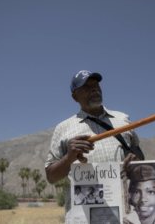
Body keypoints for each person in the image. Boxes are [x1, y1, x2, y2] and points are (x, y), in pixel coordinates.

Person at [45, 70, 142, 224]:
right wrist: (68, 158)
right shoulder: (63, 128)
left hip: (124, 209)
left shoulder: (122, 119)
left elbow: (138, 153)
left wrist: (136, 160)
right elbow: (51, 177)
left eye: (96, 85)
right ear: (75, 97)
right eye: (86, 87)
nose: (94, 89)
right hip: (84, 215)